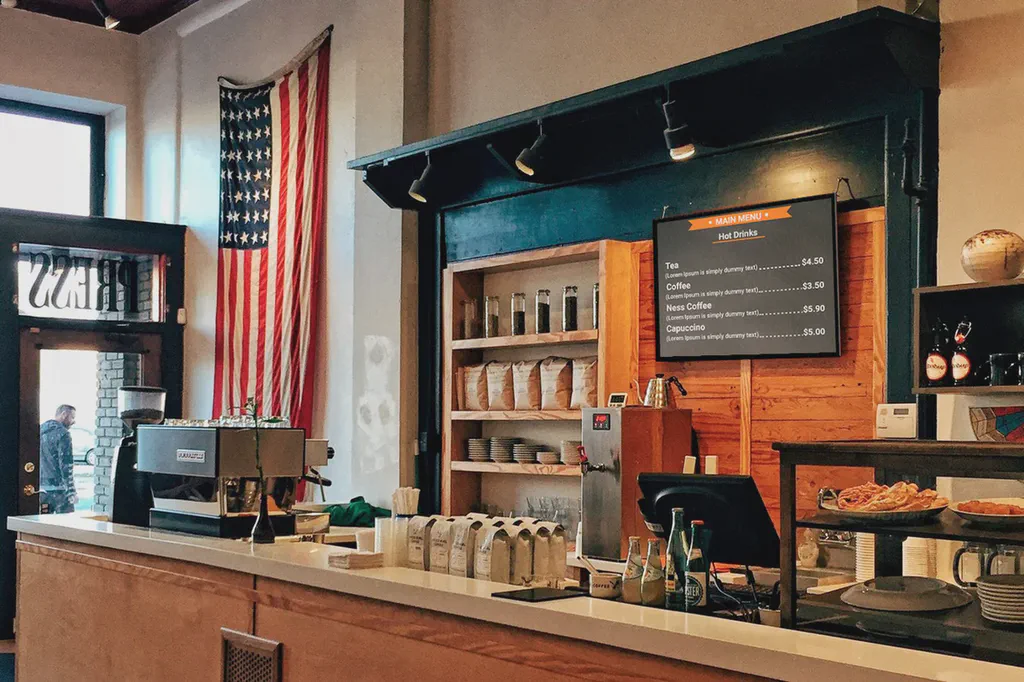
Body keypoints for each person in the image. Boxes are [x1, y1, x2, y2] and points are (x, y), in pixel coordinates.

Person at [39, 404, 77, 514]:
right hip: (60, 491)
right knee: (66, 524)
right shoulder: (63, 434)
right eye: (72, 417)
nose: (73, 421)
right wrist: (71, 492)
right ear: (64, 415)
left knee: (43, 523)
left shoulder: (41, 430)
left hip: (42, 490)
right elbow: (66, 465)